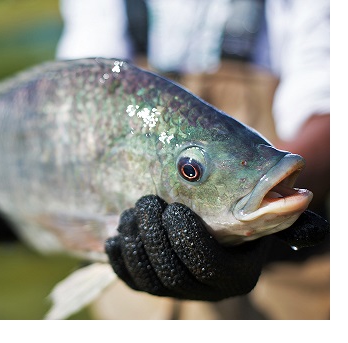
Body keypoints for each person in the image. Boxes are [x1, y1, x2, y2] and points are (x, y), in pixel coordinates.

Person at [56, 0, 330, 319]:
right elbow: (77, 90)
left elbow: (330, 103)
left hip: (280, 287)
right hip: (130, 300)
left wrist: (247, 234)